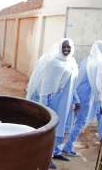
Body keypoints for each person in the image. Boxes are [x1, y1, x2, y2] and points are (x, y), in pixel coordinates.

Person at [26, 38, 80, 169]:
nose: (66, 50)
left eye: (68, 47)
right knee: (53, 129)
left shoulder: (72, 62)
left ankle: (56, 152)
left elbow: (72, 84)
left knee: (63, 127)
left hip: (67, 102)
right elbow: (46, 86)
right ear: (59, 48)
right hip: (55, 102)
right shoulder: (53, 63)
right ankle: (47, 156)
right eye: (63, 47)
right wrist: (45, 105)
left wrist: (76, 100)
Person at [62, 40, 102, 157]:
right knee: (80, 122)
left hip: (80, 94)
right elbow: (96, 85)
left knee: (100, 115)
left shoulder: (86, 60)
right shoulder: (97, 63)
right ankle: (67, 148)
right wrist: (99, 102)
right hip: (87, 96)